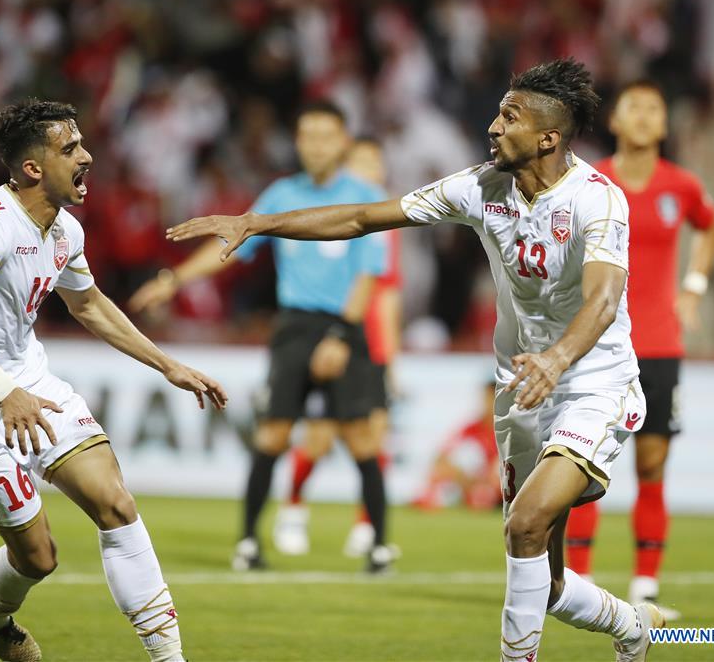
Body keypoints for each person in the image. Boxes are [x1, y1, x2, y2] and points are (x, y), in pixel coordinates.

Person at [166, 58, 665, 661]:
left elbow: (606, 297)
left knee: (524, 522)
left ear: (548, 138)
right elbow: (360, 217)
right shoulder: (481, 187)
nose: (493, 126)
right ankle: (634, 628)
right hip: (521, 387)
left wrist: (558, 359)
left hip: (589, 379)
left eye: (510, 117)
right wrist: (256, 223)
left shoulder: (598, 200)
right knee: (548, 581)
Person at [0, 99, 227, 662]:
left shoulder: (65, 232)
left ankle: (170, 659)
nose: (87, 155)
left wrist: (168, 364)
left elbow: (89, 305)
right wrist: (3, 390)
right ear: (32, 168)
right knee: (38, 557)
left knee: (116, 504)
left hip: (32, 384)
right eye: (70, 148)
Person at [129, 102, 395, 572]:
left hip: (343, 326)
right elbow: (233, 246)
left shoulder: (365, 195)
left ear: (343, 143)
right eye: (307, 135)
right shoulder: (281, 194)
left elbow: (368, 276)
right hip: (293, 325)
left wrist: (340, 334)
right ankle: (249, 542)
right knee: (272, 435)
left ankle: (378, 545)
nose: (315, 144)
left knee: (360, 438)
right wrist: (174, 280)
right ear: (297, 142)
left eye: (325, 135)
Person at [565, 80, 714, 616]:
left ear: (664, 125)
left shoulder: (682, 185)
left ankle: (646, 589)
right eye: (633, 107)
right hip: (599, 341)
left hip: (658, 344)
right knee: (580, 463)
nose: (643, 116)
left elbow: (709, 225)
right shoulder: (591, 181)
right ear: (615, 120)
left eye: (654, 108)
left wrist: (694, 287)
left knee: (652, 466)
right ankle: (575, 583)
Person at [274, 136, 402, 558]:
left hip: (372, 347)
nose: (369, 172)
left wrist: (391, 357)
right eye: (360, 163)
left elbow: (388, 296)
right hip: (333, 340)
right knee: (319, 437)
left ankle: (366, 528)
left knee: (373, 439)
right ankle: (293, 509)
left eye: (374, 163)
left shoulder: (389, 226)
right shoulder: (336, 219)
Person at [412, 380, 500, 510]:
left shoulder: (508, 430)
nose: (486, 403)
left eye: (490, 398)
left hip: (499, 481)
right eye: (485, 398)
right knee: (441, 469)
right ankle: (431, 498)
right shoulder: (472, 428)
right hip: (473, 479)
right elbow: (442, 454)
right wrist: (459, 472)